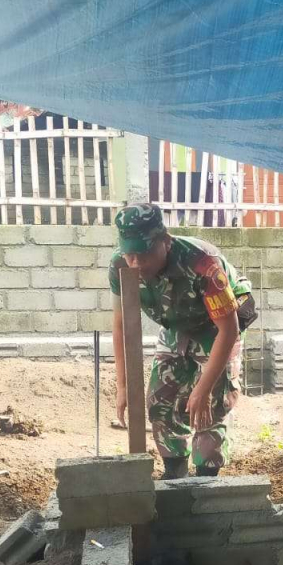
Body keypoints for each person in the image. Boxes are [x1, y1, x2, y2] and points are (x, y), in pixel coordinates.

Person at [109, 202, 253, 478]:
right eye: (131, 254)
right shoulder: (119, 265)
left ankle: (205, 482)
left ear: (165, 240)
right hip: (176, 326)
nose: (136, 263)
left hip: (217, 327)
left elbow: (229, 329)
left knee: (209, 406)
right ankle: (175, 475)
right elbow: (121, 326)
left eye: (145, 253)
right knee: (160, 401)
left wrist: (202, 388)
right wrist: (123, 386)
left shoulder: (202, 264)